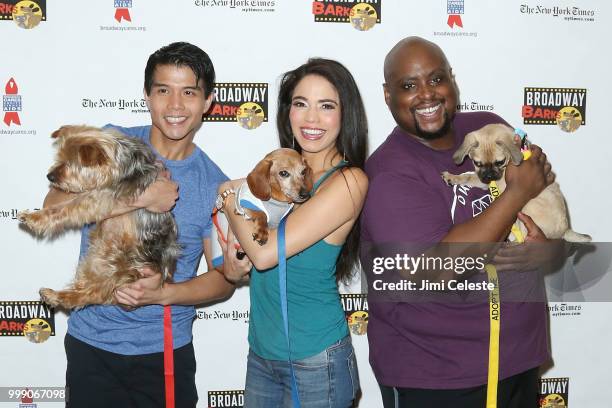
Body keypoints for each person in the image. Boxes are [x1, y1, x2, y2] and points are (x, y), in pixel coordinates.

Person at [42, 42, 250, 408]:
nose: (175, 105)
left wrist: (161, 294)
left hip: (165, 352)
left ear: (208, 102)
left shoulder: (214, 185)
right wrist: (139, 199)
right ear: (147, 96)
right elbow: (53, 205)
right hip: (92, 345)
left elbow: (223, 280)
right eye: (163, 91)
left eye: (189, 92)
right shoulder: (111, 143)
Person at [360, 36, 554, 407]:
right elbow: (436, 269)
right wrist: (515, 192)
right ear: (388, 96)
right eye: (408, 86)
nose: (426, 95)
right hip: (439, 378)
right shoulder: (390, 173)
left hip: (519, 358)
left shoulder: (489, 127)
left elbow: (538, 202)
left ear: (453, 80)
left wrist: (545, 249)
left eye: (436, 79)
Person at [215, 58, 368, 407]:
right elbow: (242, 252)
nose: (311, 119)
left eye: (326, 106)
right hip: (262, 353)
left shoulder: (348, 181)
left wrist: (228, 196)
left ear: (346, 115)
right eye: (300, 104)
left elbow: (265, 254)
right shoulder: (281, 170)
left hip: (316, 360)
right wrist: (231, 263)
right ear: (287, 112)